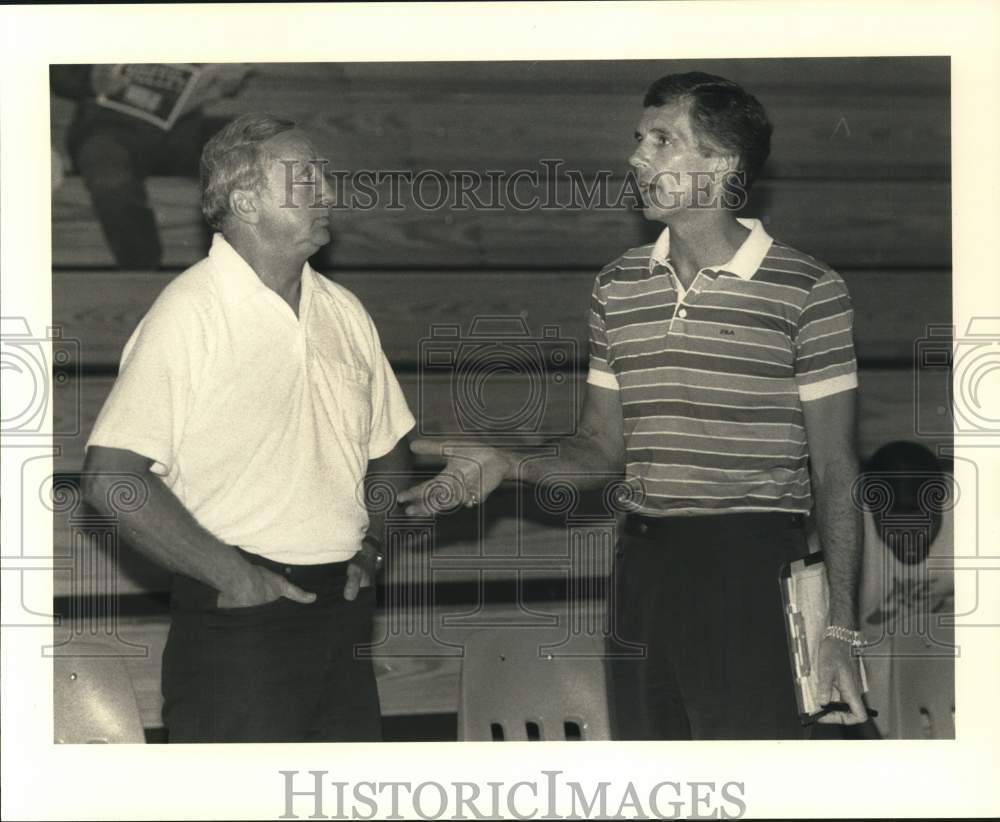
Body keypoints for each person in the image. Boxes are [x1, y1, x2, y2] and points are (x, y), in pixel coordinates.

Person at [399, 72, 869, 739]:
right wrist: (511, 464)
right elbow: (599, 449)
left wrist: (841, 627)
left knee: (756, 785)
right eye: (639, 139)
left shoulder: (808, 290)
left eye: (662, 140)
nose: (637, 158)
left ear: (720, 164)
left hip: (752, 574)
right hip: (643, 571)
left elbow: (837, 469)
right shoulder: (618, 286)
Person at [81, 113, 415, 743]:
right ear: (245, 201)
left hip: (342, 612)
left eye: (323, 174)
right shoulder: (190, 311)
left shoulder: (343, 311)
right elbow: (111, 479)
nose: (327, 191)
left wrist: (372, 547)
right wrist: (234, 578)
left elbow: (392, 456)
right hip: (238, 621)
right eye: (304, 176)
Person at [51, 63, 250, 269]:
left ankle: (229, 273)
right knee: (109, 175)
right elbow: (58, 70)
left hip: (184, 127)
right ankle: (142, 272)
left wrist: (227, 77)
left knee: (241, 152)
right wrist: (91, 78)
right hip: (111, 127)